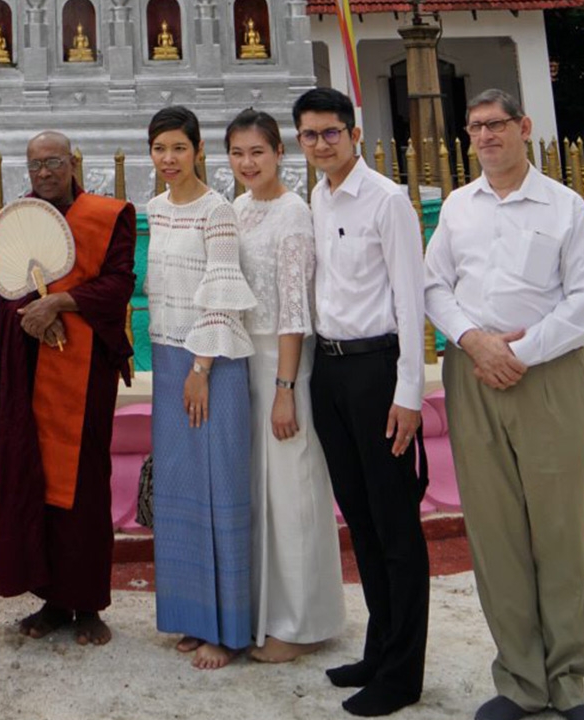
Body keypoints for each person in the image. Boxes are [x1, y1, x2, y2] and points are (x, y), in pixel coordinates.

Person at [424, 89, 584, 720]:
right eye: (475, 128)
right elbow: (433, 284)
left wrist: (519, 354)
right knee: (496, 534)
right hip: (474, 374)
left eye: (497, 125)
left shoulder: (565, 206)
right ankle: (520, 682)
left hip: (548, 376)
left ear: (524, 128)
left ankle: (569, 681)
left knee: (558, 530)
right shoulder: (458, 207)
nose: (486, 137)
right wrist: (475, 341)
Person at [294, 87, 429, 716]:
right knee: (364, 520)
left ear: (353, 132)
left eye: (330, 133)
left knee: (397, 525)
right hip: (332, 371)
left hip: (379, 372)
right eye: (309, 135)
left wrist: (409, 395)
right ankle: (380, 650)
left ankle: (403, 674)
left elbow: (411, 300)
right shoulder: (316, 198)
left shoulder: (388, 200)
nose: (321, 144)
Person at [0, 130, 136, 647]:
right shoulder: (18, 220)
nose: (44, 173)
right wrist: (28, 315)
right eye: (34, 166)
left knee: (87, 484)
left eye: (52, 162)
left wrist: (59, 304)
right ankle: (52, 599)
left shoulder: (107, 215)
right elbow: (2, 289)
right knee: (40, 482)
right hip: (33, 371)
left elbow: (119, 283)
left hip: (86, 368)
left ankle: (89, 601)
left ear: (73, 162)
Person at [227, 109, 344, 663]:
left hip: (283, 360)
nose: (248, 163)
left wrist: (284, 388)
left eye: (258, 152)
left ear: (279, 153)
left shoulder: (294, 215)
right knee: (258, 491)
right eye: (237, 153)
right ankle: (260, 610)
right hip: (243, 361)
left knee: (293, 491)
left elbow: (295, 311)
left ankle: (301, 622)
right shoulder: (238, 210)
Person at [145, 107, 256, 670]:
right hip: (167, 360)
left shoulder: (218, 211)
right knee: (182, 492)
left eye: (179, 149)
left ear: (198, 152)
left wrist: (202, 367)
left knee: (217, 487)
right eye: (160, 149)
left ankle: (229, 628)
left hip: (210, 361)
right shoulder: (155, 210)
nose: (169, 160)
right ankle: (192, 616)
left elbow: (220, 291)